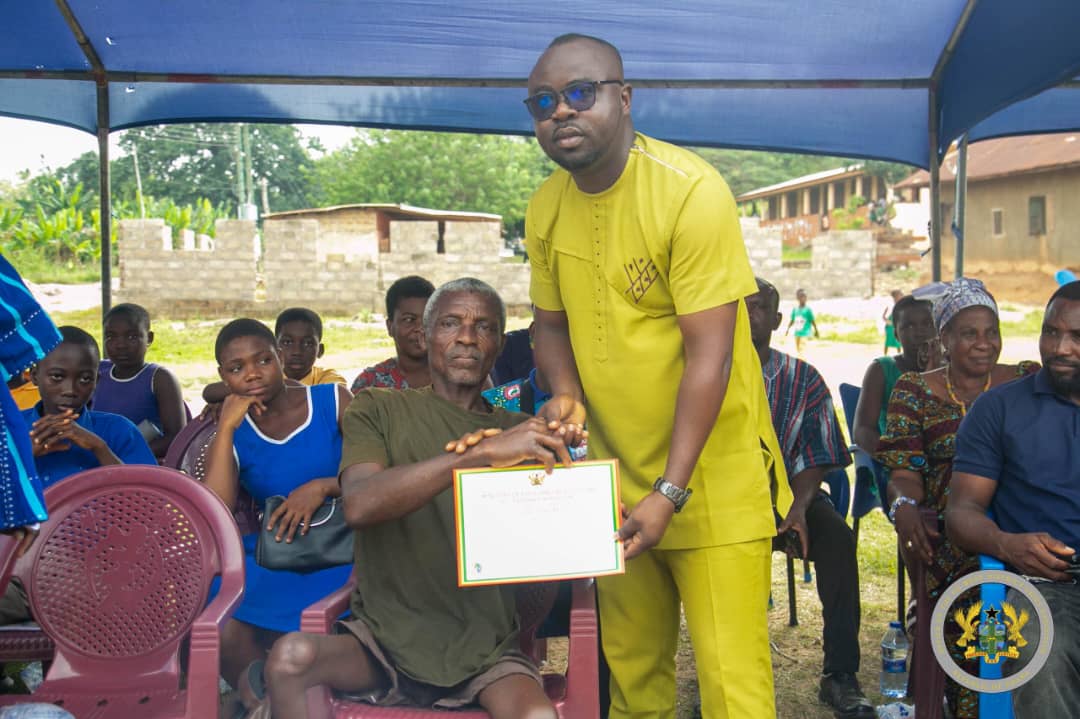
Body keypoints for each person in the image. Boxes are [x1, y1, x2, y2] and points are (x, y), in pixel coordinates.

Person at [524, 33, 789, 718]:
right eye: (543, 102)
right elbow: (550, 325)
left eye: (580, 93)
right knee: (635, 686)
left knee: (734, 692)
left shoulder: (690, 191)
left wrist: (670, 490)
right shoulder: (546, 206)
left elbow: (712, 355)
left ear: (624, 98)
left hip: (711, 483)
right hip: (614, 490)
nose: (561, 111)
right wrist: (565, 393)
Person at [250, 278, 573, 719]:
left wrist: (599, 511)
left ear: (499, 344)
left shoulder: (521, 432)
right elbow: (360, 504)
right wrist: (476, 456)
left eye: (483, 327)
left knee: (538, 715)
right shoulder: (378, 408)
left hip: (486, 650)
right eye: (451, 323)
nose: (467, 337)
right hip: (382, 643)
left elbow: (563, 528)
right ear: (427, 333)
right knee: (290, 659)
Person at [876, 277, 1038, 719]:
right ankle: (971, 705)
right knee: (975, 600)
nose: (984, 344)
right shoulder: (914, 391)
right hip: (953, 533)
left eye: (992, 331)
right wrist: (904, 506)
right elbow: (905, 473)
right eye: (969, 333)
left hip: (1024, 522)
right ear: (944, 338)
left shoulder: (1026, 380)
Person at [946, 280, 1080, 719]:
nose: (1059, 348)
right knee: (1043, 646)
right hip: (1049, 585)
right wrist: (1006, 544)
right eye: (1050, 332)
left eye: (1076, 336)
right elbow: (961, 513)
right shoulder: (1000, 409)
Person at [202, 318, 353, 694]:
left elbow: (379, 473)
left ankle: (289, 696)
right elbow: (215, 507)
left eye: (263, 360)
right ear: (223, 376)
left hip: (345, 547)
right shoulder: (235, 430)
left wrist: (323, 487)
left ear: (280, 358)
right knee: (221, 604)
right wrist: (226, 427)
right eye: (236, 368)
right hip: (280, 551)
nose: (252, 374)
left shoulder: (332, 401)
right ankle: (259, 700)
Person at [746, 278, 870, 718]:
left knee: (837, 539)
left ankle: (840, 674)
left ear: (777, 320)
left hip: (793, 497)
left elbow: (816, 454)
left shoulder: (803, 378)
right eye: (739, 305)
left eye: (758, 307)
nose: (748, 315)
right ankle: (725, 679)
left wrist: (797, 509)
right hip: (727, 503)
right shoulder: (706, 373)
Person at [2, 325, 155, 625]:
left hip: (97, 573)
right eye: (57, 377)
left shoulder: (116, 431)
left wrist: (98, 448)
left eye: (85, 379)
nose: (70, 390)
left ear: (97, 381)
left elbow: (151, 506)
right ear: (34, 375)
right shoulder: (10, 431)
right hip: (16, 570)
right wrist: (22, 457)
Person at [92, 302, 187, 458]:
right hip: (95, 458)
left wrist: (128, 454)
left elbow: (176, 437)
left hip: (138, 462)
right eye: (111, 336)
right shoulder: (98, 372)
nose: (120, 345)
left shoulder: (159, 378)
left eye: (132, 337)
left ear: (149, 338)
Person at [203, 307, 345, 406]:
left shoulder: (329, 379)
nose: (297, 351)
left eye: (307, 343)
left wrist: (246, 391)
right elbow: (209, 392)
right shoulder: (266, 375)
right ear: (278, 351)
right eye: (287, 342)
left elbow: (330, 400)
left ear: (320, 350)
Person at [853, 294, 935, 456]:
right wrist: (897, 458)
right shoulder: (881, 370)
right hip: (897, 459)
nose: (919, 333)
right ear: (896, 334)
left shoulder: (951, 369)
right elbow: (862, 430)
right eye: (908, 326)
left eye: (927, 324)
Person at [351, 275, 435, 393]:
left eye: (427, 319)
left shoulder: (454, 377)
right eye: (409, 320)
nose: (420, 328)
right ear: (390, 327)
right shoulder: (370, 384)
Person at [785, 288, 819, 355]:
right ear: (798, 298)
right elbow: (792, 320)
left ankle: (802, 361)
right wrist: (787, 329)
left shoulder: (808, 310)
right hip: (797, 334)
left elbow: (812, 321)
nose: (804, 298)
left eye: (805, 296)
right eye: (802, 296)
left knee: (802, 351)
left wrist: (816, 330)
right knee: (798, 350)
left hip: (805, 334)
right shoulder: (795, 309)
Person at [882, 289, 904, 356]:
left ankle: (899, 354)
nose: (898, 297)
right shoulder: (890, 304)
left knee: (898, 342)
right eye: (897, 296)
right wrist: (886, 320)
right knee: (888, 342)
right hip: (890, 325)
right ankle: (885, 355)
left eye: (899, 295)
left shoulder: (902, 304)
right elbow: (884, 315)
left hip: (897, 324)